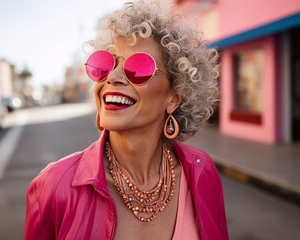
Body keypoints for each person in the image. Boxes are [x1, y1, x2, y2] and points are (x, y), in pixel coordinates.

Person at [24, 1, 228, 239]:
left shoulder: (202, 171)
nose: (113, 77)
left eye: (138, 67)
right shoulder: (53, 186)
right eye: (106, 64)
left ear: (174, 97)